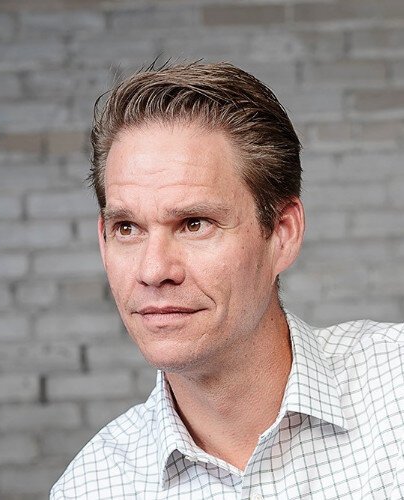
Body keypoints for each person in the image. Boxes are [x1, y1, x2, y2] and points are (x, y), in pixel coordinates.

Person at [50, 62, 403, 499]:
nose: (153, 270)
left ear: (282, 234)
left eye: (194, 224)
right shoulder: (90, 488)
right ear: (103, 242)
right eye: (127, 228)